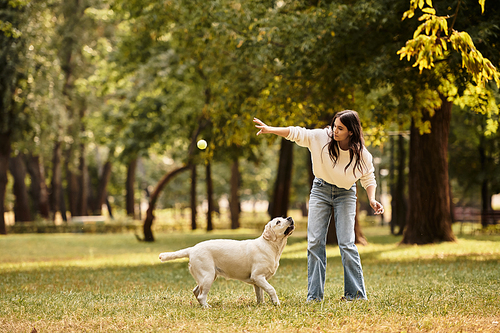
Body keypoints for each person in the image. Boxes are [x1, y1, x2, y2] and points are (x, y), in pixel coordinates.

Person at [253, 110, 384, 302]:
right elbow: (297, 133)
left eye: (340, 128)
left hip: (346, 194)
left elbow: (368, 177)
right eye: (334, 126)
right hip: (320, 189)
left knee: (347, 243)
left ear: (351, 132)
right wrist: (270, 129)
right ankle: (314, 297)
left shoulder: (362, 155)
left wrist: (372, 199)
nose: (335, 131)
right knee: (315, 242)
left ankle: (355, 295)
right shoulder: (322, 137)